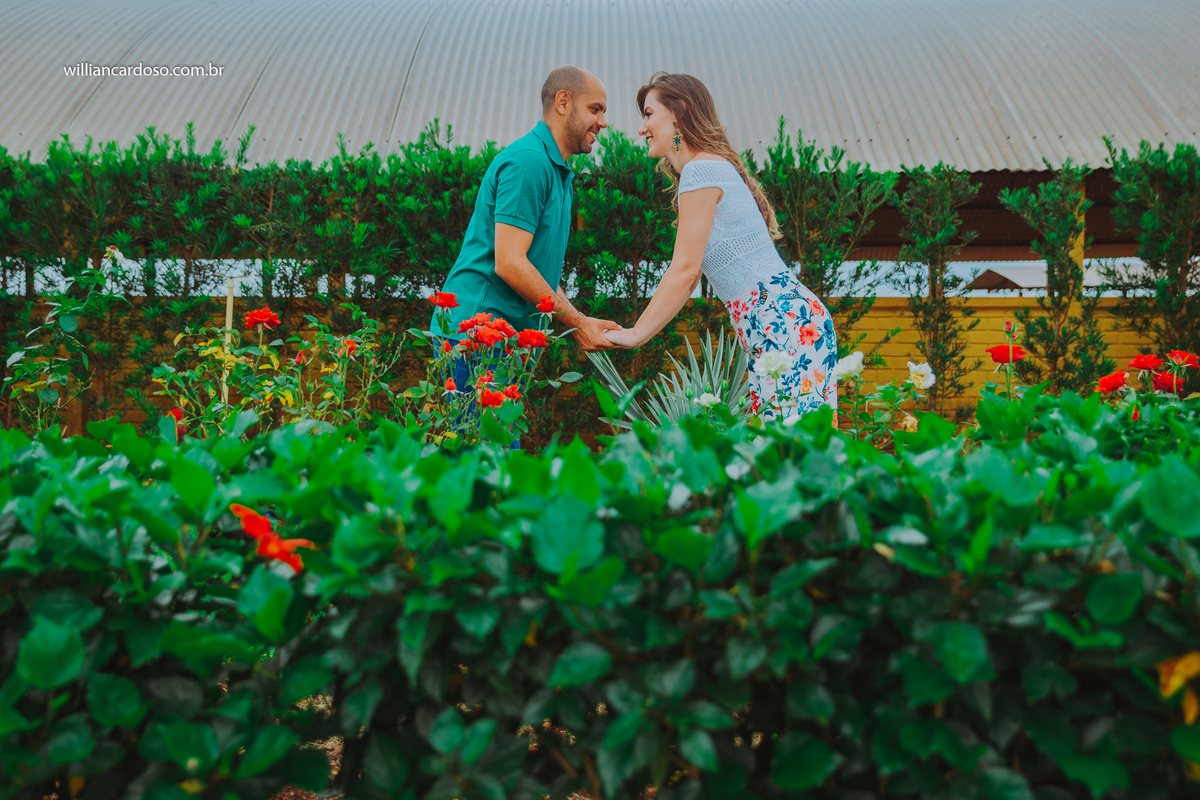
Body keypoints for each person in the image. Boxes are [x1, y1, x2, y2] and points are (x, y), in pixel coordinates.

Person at [602, 72, 838, 421]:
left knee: (789, 459)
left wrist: (637, 334)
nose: (641, 128)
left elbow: (684, 271)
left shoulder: (701, 171)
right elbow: (689, 273)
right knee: (789, 459)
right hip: (782, 324)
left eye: (649, 114)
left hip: (784, 326)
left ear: (678, 112)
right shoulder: (707, 170)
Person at [431, 65, 622, 364]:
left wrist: (579, 320)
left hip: (506, 339)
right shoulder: (529, 162)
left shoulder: (558, 171)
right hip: (477, 336)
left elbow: (538, 268)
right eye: (595, 109)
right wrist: (576, 322)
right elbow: (510, 263)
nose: (603, 122)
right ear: (563, 102)